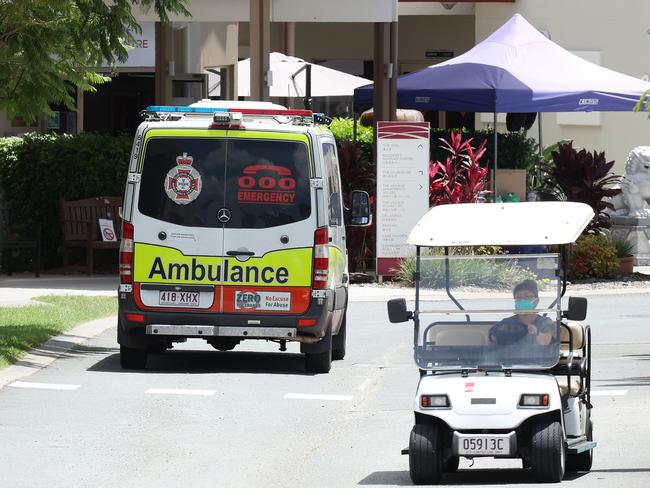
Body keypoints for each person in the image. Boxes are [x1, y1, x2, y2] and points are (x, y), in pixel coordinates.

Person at [488, 279, 555, 346]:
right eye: (519, 297)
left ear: (536, 301)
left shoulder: (545, 322)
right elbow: (491, 341)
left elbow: (546, 342)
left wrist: (536, 332)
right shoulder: (506, 322)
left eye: (527, 297)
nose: (522, 300)